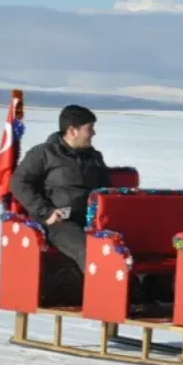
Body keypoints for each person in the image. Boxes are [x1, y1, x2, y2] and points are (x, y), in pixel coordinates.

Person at [10, 104, 111, 269]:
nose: (94, 133)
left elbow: (107, 190)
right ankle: (104, 292)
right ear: (72, 131)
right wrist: (46, 211)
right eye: (90, 128)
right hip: (58, 221)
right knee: (91, 251)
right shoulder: (44, 153)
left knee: (129, 244)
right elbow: (19, 183)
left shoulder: (94, 157)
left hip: (92, 219)